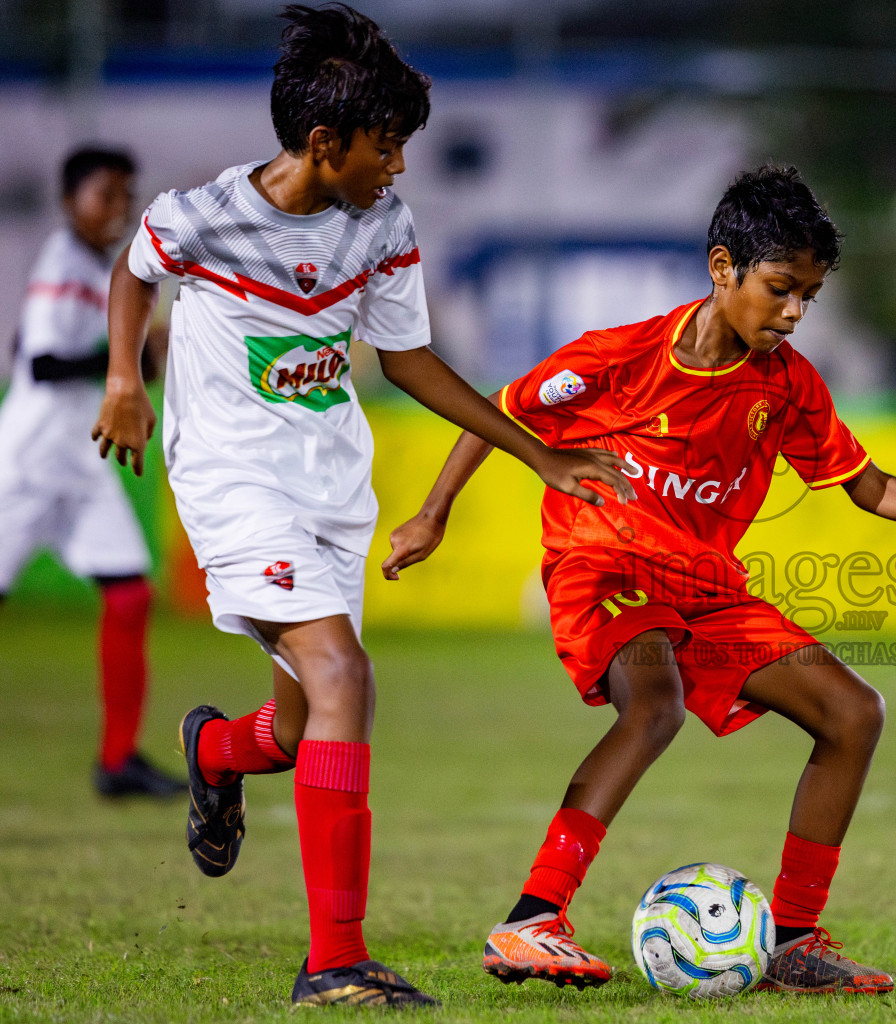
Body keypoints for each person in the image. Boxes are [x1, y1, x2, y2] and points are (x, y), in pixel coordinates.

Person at [383, 166, 896, 995]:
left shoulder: (789, 384)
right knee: (654, 707)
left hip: (706, 586)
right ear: (722, 267)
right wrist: (434, 513)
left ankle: (796, 942)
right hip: (604, 562)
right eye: (780, 289)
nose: (795, 312)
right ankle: (531, 920)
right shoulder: (621, 357)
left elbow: (865, 483)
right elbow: (504, 409)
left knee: (852, 712)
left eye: (808, 295)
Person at [92, 3, 633, 1007]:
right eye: (388, 148)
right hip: (229, 475)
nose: (399, 166)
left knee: (302, 725)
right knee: (344, 673)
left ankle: (214, 749)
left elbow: (409, 358)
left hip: (330, 482)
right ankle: (335, 960)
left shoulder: (382, 222)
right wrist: (125, 377)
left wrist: (536, 454)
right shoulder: (205, 213)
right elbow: (135, 271)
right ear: (324, 142)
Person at [0, 147, 181, 799]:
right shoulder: (64, 263)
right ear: (69, 200)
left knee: (130, 595)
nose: (118, 209)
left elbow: (26, 347)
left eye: (125, 197)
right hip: (26, 461)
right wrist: (129, 360)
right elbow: (44, 363)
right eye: (105, 195)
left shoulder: (97, 267)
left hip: (78, 458)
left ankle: (117, 761)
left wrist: (138, 358)